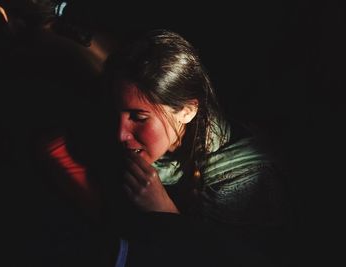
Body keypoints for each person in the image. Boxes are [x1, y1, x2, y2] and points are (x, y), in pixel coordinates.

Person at [89, 29, 292, 267]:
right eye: (117, 113)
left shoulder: (244, 182)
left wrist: (165, 215)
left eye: (139, 117)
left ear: (187, 111)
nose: (121, 134)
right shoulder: (115, 146)